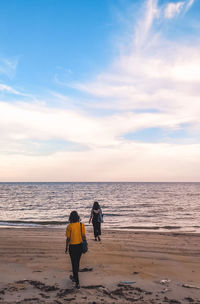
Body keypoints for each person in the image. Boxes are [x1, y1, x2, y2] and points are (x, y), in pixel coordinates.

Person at [65, 211, 86, 289]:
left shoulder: (69, 226)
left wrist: (66, 247)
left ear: (70, 217)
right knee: (77, 263)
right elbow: (84, 236)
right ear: (78, 217)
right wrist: (85, 244)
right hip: (80, 246)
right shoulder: (81, 225)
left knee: (74, 264)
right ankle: (74, 277)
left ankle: (77, 282)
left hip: (72, 247)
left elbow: (68, 238)